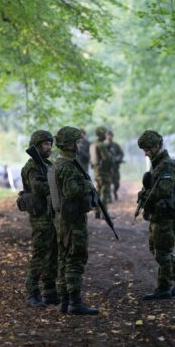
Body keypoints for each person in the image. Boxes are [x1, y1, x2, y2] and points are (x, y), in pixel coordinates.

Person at [136, 130, 175, 300]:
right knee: (157, 248)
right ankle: (170, 283)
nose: (146, 153)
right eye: (143, 150)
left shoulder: (167, 165)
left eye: (148, 149)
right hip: (158, 213)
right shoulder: (157, 164)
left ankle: (172, 282)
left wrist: (146, 195)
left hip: (165, 213)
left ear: (157, 146)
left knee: (162, 251)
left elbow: (164, 191)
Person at [50, 126, 98, 315]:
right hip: (72, 221)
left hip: (62, 220)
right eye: (77, 142)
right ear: (69, 144)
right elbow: (71, 192)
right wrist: (86, 184)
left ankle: (64, 301)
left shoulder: (59, 164)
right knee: (75, 259)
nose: (79, 145)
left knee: (64, 259)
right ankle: (75, 302)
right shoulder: (67, 167)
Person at [19, 130, 58, 308]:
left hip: (51, 214)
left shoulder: (47, 164)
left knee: (53, 253)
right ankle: (32, 291)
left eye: (50, 143)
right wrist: (58, 185)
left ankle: (49, 290)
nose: (48, 147)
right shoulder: (32, 166)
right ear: (36, 146)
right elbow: (38, 188)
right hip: (40, 216)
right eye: (45, 144)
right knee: (41, 253)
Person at [89, 126, 112, 216]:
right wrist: (110, 155)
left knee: (98, 191)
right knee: (105, 192)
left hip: (96, 171)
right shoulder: (101, 145)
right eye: (105, 133)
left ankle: (97, 212)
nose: (106, 136)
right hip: (103, 172)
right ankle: (104, 213)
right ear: (102, 134)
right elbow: (106, 158)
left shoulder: (92, 144)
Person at [106, 130, 124, 201]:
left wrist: (118, 158)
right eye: (108, 135)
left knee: (116, 183)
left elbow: (121, 154)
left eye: (110, 135)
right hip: (107, 168)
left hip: (115, 167)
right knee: (107, 183)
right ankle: (109, 197)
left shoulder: (116, 145)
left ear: (112, 136)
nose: (109, 137)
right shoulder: (103, 145)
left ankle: (114, 192)